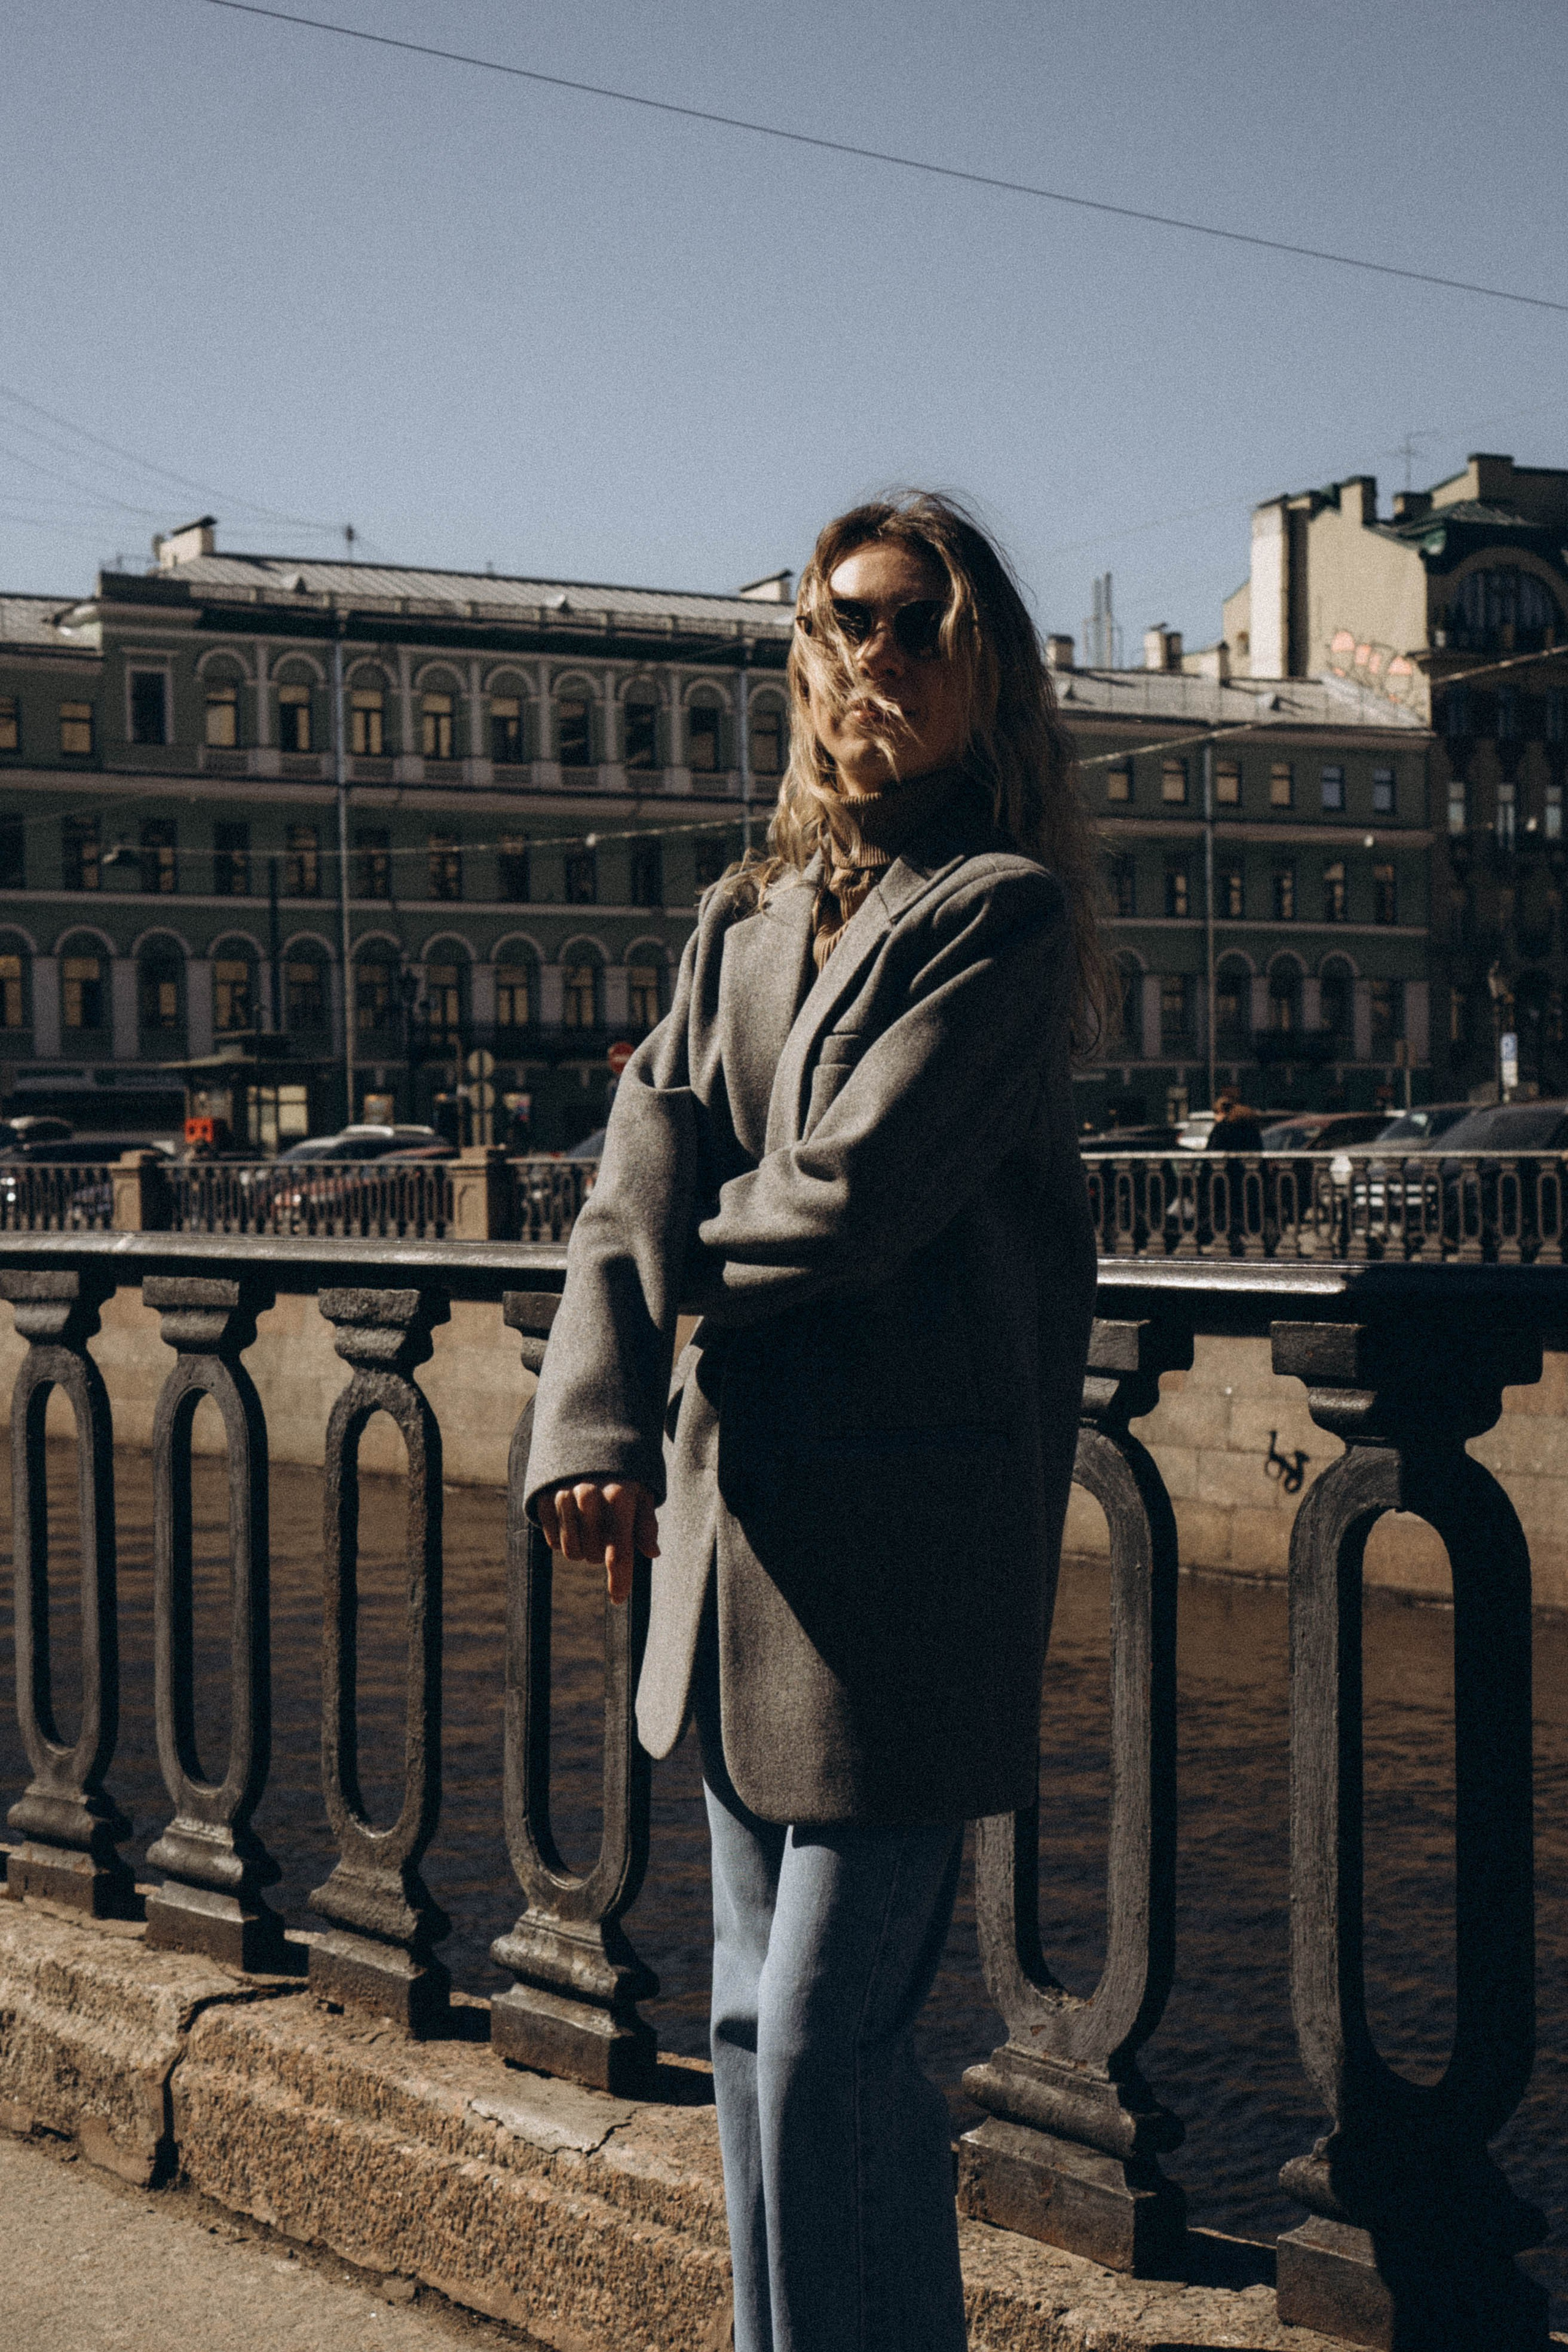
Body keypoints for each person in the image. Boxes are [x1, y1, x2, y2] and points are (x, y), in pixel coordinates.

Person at [526, 492, 1106, 2352]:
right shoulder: (747, 915)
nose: (875, 653)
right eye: (840, 621)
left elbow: (855, 1198)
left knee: (818, 2043)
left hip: (906, 1569)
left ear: (983, 661)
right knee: (748, 2035)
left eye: (915, 622)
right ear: (801, 656)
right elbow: (635, 1162)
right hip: (738, 1549)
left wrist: (673, 1235)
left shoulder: (997, 916)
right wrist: (593, 1424)